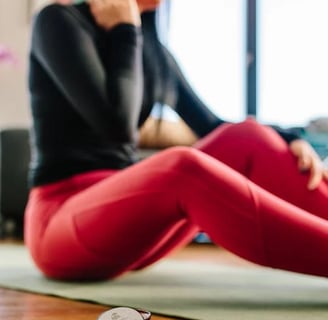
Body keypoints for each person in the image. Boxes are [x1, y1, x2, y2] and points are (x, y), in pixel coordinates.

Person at [24, 0, 328, 281]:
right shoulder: (58, 22)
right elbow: (117, 126)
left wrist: (289, 138)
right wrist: (125, 29)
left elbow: (213, 127)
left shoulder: (155, 52)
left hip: (127, 223)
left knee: (247, 136)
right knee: (181, 167)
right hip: (60, 222)